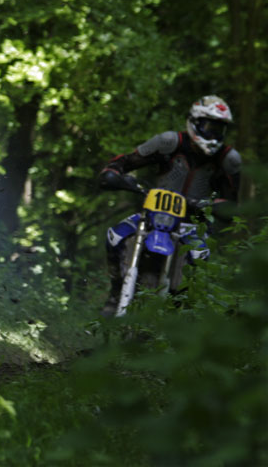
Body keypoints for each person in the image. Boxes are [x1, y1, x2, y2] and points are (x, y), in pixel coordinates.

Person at [98, 95, 241, 316]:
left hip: (193, 224)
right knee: (115, 237)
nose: (213, 135)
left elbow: (231, 202)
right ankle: (116, 290)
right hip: (153, 216)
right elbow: (126, 161)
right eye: (209, 127)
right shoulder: (169, 142)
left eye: (219, 130)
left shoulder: (228, 159)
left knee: (200, 258)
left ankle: (181, 314)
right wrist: (114, 173)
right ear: (194, 122)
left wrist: (213, 206)